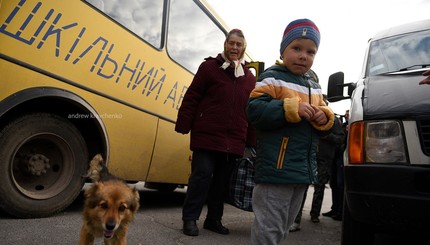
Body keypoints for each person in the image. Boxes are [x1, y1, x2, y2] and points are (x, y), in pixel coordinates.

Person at [247, 18, 335, 244]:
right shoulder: (272, 77)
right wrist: (290, 108)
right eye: (296, 48)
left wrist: (324, 116)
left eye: (310, 51)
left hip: (301, 172)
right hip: (275, 171)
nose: (303, 56)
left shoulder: (314, 86)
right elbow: (254, 110)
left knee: (283, 228)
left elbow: (327, 121)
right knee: (269, 230)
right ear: (283, 49)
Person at [175, 29, 256, 237]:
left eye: (239, 44)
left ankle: (213, 220)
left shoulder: (249, 78)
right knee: (201, 177)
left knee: (222, 183)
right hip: (207, 135)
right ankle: (190, 218)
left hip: (234, 140)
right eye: (232, 43)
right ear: (225, 44)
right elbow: (192, 96)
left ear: (244, 48)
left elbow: (252, 110)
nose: (235, 48)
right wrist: (184, 123)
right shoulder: (209, 67)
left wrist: (252, 141)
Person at [289, 112, 345, 232]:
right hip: (309, 156)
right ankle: (295, 219)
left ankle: (314, 214)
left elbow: (340, 138)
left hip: (324, 159)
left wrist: (326, 136)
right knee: (302, 187)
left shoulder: (333, 120)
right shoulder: (309, 116)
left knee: (319, 188)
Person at [322, 109, 349, 221]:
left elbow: (341, 139)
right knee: (333, 184)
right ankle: (334, 208)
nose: (347, 115)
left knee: (340, 184)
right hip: (334, 157)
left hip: (343, 158)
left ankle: (340, 211)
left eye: (349, 113)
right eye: (346, 113)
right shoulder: (342, 125)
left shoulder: (354, 126)